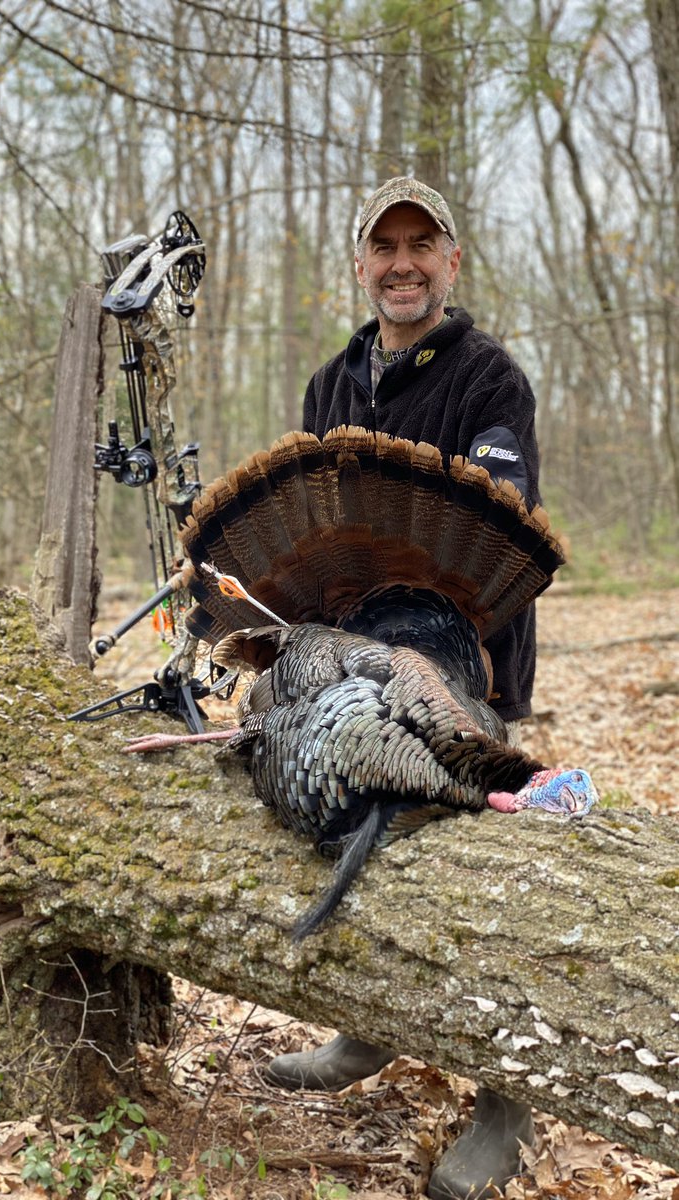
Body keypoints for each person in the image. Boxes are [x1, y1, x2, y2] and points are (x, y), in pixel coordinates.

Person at [266, 177, 542, 1200]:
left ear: (451, 261)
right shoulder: (331, 384)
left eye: (422, 244)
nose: (403, 263)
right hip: (352, 659)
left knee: (485, 889)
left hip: (466, 668)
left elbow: (499, 519)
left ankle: (505, 1102)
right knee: (339, 818)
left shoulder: (489, 382)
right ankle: (368, 1031)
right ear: (361, 263)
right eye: (385, 246)